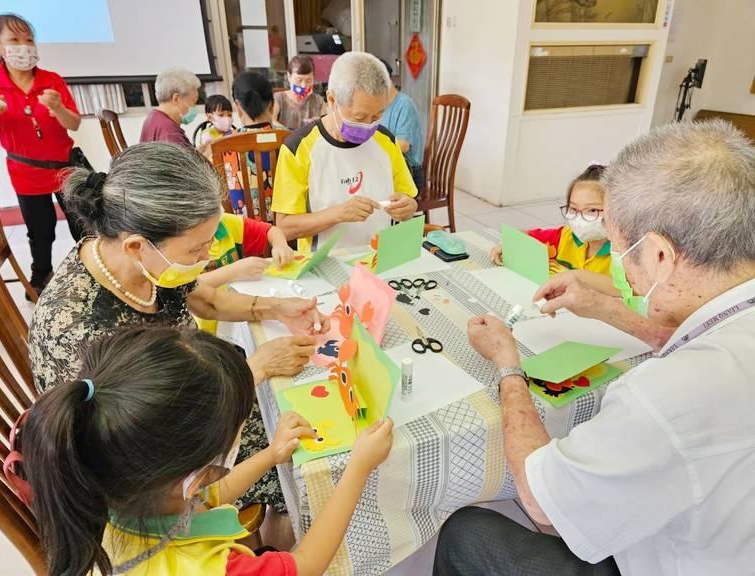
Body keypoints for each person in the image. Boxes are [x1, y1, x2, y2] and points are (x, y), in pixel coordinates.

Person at [434, 121, 755, 576]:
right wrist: (597, 306)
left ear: (661, 257)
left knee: (467, 531)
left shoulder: (664, 396)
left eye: (623, 254)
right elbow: (690, 331)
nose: (619, 272)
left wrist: (508, 365)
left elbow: (542, 502)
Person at [28, 143, 329, 527]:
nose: (208, 258)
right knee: (305, 461)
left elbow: (209, 300)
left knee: (292, 415)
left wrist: (276, 307)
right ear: (137, 245)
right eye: (197, 249)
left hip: (191, 404)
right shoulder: (84, 331)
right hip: (154, 475)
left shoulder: (138, 256)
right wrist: (256, 367)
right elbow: (161, 434)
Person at [10, 326, 394, 576]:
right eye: (238, 431)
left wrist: (270, 455)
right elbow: (306, 565)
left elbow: (208, 497)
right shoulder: (216, 570)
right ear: (194, 474)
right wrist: (358, 467)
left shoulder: (106, 481)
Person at [273, 51, 418, 252]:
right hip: (323, 264)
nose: (369, 126)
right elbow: (285, 227)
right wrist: (337, 214)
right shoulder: (299, 148)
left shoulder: (385, 141)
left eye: (377, 116)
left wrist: (409, 207)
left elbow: (408, 199)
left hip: (380, 258)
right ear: (332, 100)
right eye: (359, 117)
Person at [0, 14, 83, 296]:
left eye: (29, 40)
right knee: (40, 231)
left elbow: (74, 123)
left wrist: (59, 109)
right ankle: (41, 275)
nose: (23, 46)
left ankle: (92, 272)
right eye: (14, 40)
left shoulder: (51, 80)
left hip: (65, 166)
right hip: (26, 172)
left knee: (83, 224)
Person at [491, 163, 611, 274]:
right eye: (573, 209)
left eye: (592, 210)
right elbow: (523, 235)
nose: (579, 219)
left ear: (616, 211)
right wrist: (507, 244)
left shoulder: (623, 257)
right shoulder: (565, 237)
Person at [197, 212, 294, 334]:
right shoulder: (180, 240)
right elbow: (187, 287)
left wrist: (280, 245)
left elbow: (271, 230)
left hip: (240, 314)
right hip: (207, 327)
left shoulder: (226, 223)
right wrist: (233, 271)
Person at [220, 71, 288, 220]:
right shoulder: (290, 138)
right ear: (272, 104)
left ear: (237, 107)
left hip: (245, 234)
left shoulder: (223, 145)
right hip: (287, 230)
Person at [380, 59, 424, 192]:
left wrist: (373, 147)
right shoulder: (379, 106)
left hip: (408, 173)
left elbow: (403, 145)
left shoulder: (405, 104)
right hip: (388, 169)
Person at [139, 67, 200, 147]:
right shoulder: (169, 133)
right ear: (176, 98)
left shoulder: (153, 117)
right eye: (193, 101)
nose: (194, 107)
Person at [273, 55, 326, 130]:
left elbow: (327, 126)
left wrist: (318, 123)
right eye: (299, 80)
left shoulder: (319, 101)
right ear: (289, 76)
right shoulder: (279, 98)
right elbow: (271, 122)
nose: (303, 86)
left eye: (308, 81)